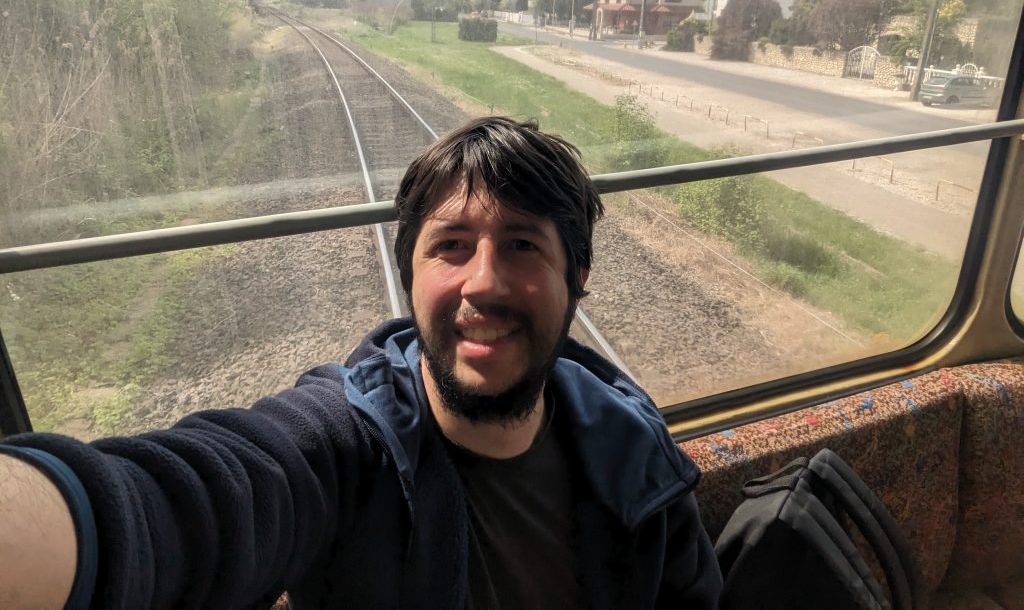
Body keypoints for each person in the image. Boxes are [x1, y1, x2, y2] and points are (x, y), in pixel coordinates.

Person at [0, 116, 722, 610]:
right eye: (451, 245)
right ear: (409, 271)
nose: (483, 282)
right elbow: (197, 498)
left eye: (524, 245)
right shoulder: (342, 445)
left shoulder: (636, 453)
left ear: (579, 277)